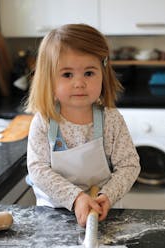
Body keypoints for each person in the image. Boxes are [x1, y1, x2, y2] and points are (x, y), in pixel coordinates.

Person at [26, 23, 140, 227]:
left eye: (89, 73)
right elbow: (38, 169)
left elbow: (129, 165)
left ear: (103, 74)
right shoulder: (43, 121)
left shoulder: (111, 120)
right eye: (67, 74)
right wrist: (76, 197)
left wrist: (108, 196)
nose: (79, 83)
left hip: (103, 213)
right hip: (54, 216)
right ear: (49, 78)